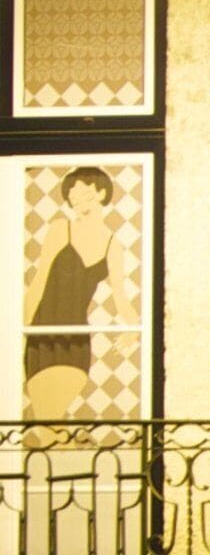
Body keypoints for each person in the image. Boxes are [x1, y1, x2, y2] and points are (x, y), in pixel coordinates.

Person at [23, 165, 119, 418]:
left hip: (76, 337)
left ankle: (75, 446)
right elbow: (38, 282)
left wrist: (131, 332)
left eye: (83, 193)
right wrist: (21, 330)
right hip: (43, 333)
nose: (76, 200)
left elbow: (122, 299)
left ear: (100, 193)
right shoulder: (60, 229)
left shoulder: (112, 244)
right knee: (46, 417)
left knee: (49, 418)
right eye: (72, 196)